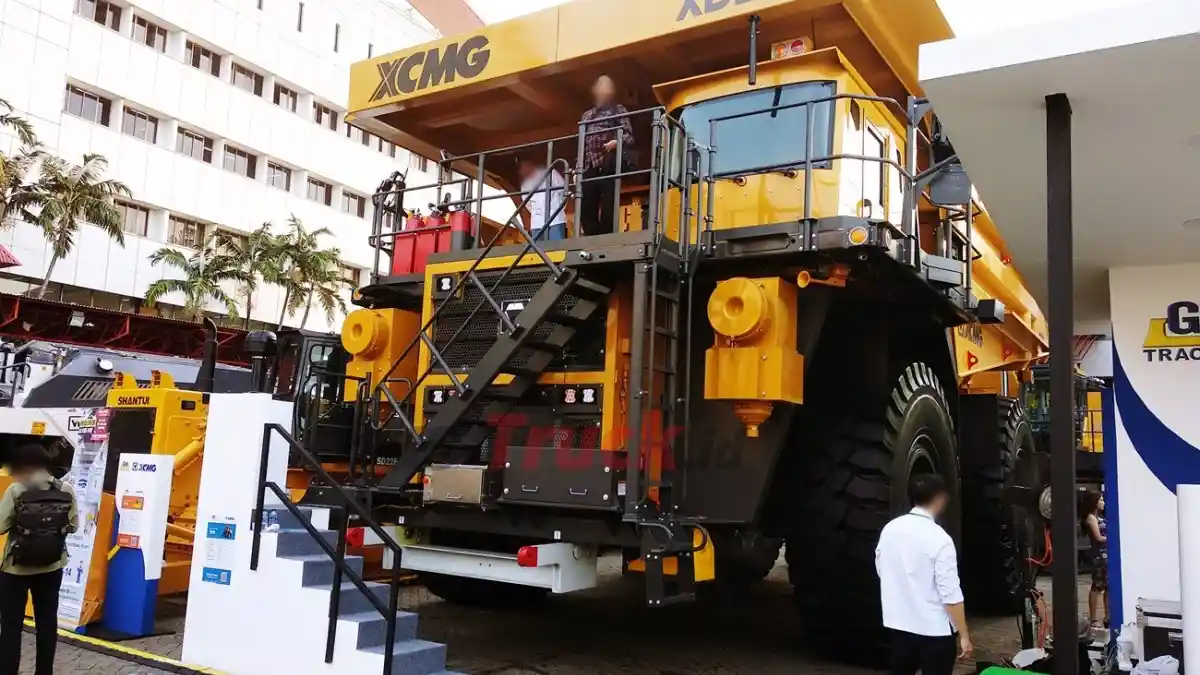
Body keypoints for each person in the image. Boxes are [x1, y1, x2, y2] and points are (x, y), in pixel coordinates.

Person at [875, 475, 972, 675]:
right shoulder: (940, 539)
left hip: (900, 627)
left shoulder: (890, 529)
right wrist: (964, 635)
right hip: (935, 632)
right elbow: (950, 594)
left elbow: (882, 568)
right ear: (940, 498)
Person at [0, 444, 78, 675]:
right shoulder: (67, 489)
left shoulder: (16, 490)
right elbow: (73, 526)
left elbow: (1, 525)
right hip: (52, 565)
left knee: (11, 624)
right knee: (47, 622)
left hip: (16, 568)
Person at [578, 74, 634, 237]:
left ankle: (605, 236)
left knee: (609, 205)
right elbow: (582, 143)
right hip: (589, 166)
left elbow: (629, 137)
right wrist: (578, 167)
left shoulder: (619, 110)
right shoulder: (587, 115)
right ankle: (592, 237)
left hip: (609, 164)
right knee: (586, 206)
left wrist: (616, 142)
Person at [518, 159, 568, 241]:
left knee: (557, 248)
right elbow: (527, 204)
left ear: (530, 164)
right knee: (539, 250)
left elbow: (564, 190)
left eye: (524, 166)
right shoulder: (525, 185)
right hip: (537, 223)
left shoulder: (551, 173)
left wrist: (557, 207)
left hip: (555, 219)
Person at [1080, 490, 1108, 629]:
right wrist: (1113, 538)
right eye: (1101, 500)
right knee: (1097, 586)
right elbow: (1098, 537)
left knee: (1107, 586)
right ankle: (1093, 619)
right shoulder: (1091, 518)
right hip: (1099, 555)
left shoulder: (1101, 517)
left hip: (1107, 555)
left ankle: (1108, 616)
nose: (1103, 502)